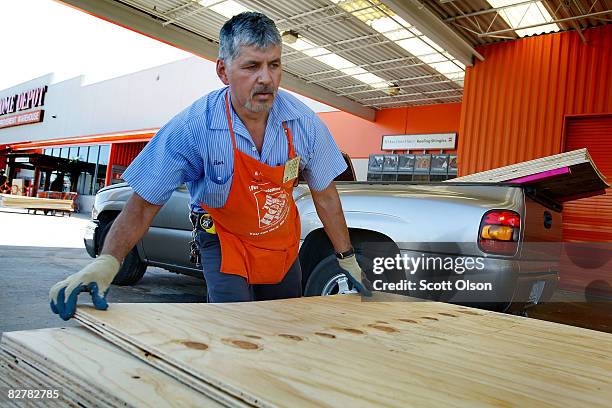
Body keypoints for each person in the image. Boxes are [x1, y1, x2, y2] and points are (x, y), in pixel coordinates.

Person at [49, 12, 372, 321]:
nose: (266, 79)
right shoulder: (193, 128)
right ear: (222, 71)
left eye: (274, 65)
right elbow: (144, 204)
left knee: (284, 325)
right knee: (233, 327)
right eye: (251, 66)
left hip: (279, 244)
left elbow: (326, 196)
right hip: (223, 241)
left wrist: (346, 258)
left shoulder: (303, 123)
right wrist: (108, 260)